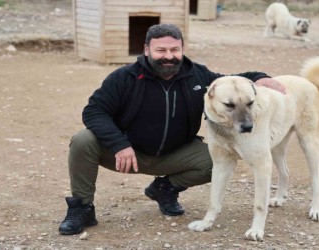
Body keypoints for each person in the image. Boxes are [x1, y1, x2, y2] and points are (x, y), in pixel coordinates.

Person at [58, 23, 286, 235]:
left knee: (214, 162)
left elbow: (227, 81)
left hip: (176, 154)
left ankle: (164, 188)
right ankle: (82, 209)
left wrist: (259, 77)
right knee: (82, 141)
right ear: (146, 50)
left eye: (175, 49)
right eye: (161, 50)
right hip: (130, 153)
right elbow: (93, 111)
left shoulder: (197, 74)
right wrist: (119, 144)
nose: (169, 56)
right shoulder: (124, 78)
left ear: (182, 48)